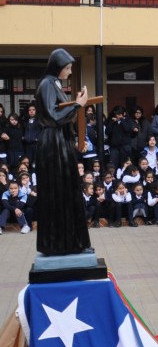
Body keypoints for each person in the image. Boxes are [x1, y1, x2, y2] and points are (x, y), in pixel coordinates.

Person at [34, 48, 92, 256]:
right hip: (53, 145)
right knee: (57, 193)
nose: (69, 72)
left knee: (67, 192)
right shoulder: (47, 85)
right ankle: (58, 244)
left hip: (61, 143)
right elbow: (53, 116)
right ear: (58, 67)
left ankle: (71, 242)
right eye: (67, 68)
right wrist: (77, 105)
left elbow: (61, 114)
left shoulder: (54, 85)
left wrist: (76, 139)